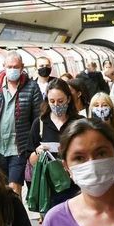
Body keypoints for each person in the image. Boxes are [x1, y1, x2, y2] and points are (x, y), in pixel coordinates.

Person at [0, 51, 42, 195]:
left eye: (16, 67)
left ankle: (17, 216)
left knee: (14, 189)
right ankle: (4, 217)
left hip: (19, 147)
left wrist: (35, 146)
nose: (12, 70)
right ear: (4, 66)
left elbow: (37, 119)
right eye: (10, 66)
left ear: (22, 67)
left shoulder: (32, 88)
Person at [27, 79, 81, 212]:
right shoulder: (39, 124)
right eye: (52, 101)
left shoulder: (79, 123)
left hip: (76, 188)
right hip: (50, 190)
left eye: (60, 101)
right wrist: (38, 152)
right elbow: (31, 160)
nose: (56, 105)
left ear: (68, 99)